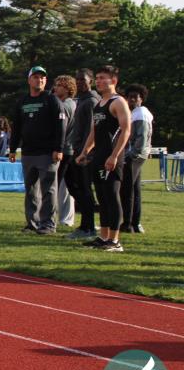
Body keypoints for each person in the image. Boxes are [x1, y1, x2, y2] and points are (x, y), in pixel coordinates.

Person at [75, 65, 132, 252]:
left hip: (112, 157)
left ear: (113, 80)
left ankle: (115, 241)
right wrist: (85, 151)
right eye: (97, 78)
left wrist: (114, 156)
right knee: (102, 198)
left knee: (112, 197)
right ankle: (104, 237)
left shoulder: (118, 102)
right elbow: (94, 131)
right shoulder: (100, 103)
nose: (98, 81)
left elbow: (126, 130)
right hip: (98, 157)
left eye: (102, 78)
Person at [8, 66, 66, 235]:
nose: (39, 80)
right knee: (31, 190)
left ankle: (48, 224)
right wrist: (13, 149)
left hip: (47, 153)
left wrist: (58, 148)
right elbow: (16, 127)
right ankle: (32, 223)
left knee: (49, 190)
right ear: (29, 80)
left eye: (42, 77)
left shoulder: (51, 99)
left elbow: (61, 126)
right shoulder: (22, 101)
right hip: (28, 153)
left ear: (46, 81)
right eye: (35, 77)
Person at [64, 69, 101, 240]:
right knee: (74, 186)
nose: (79, 83)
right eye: (77, 79)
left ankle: (88, 227)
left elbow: (92, 130)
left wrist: (86, 152)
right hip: (77, 150)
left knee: (84, 189)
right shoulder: (82, 100)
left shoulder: (92, 101)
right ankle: (86, 224)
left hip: (85, 153)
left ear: (90, 82)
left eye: (83, 80)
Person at [120, 84, 153, 234]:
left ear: (141, 98)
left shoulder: (141, 113)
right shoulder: (136, 112)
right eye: (129, 97)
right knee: (135, 190)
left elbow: (142, 137)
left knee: (127, 190)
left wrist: (130, 155)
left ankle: (127, 224)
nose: (132, 100)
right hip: (138, 155)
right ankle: (135, 223)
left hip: (135, 156)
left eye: (135, 97)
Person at [52, 74, 78, 227]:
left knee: (57, 186)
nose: (55, 88)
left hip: (64, 150)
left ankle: (56, 218)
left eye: (59, 85)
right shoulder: (70, 104)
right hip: (68, 149)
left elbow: (62, 129)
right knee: (66, 186)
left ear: (68, 89)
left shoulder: (66, 106)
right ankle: (66, 219)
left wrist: (57, 148)